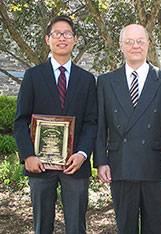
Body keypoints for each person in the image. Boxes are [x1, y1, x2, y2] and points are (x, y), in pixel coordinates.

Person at [14, 15, 97, 234]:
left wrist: (82, 153)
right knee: (42, 226)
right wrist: (28, 155)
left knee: (76, 227)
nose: (62, 38)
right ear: (47, 39)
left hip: (75, 166)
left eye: (67, 33)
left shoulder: (87, 79)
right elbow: (21, 120)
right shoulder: (33, 76)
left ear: (75, 40)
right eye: (57, 34)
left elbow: (91, 122)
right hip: (39, 165)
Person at [94, 24, 161, 234]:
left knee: (156, 228)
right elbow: (100, 125)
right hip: (120, 164)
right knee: (125, 228)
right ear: (121, 46)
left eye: (140, 41)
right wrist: (101, 161)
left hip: (157, 166)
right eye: (129, 42)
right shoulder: (105, 81)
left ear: (148, 43)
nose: (135, 46)